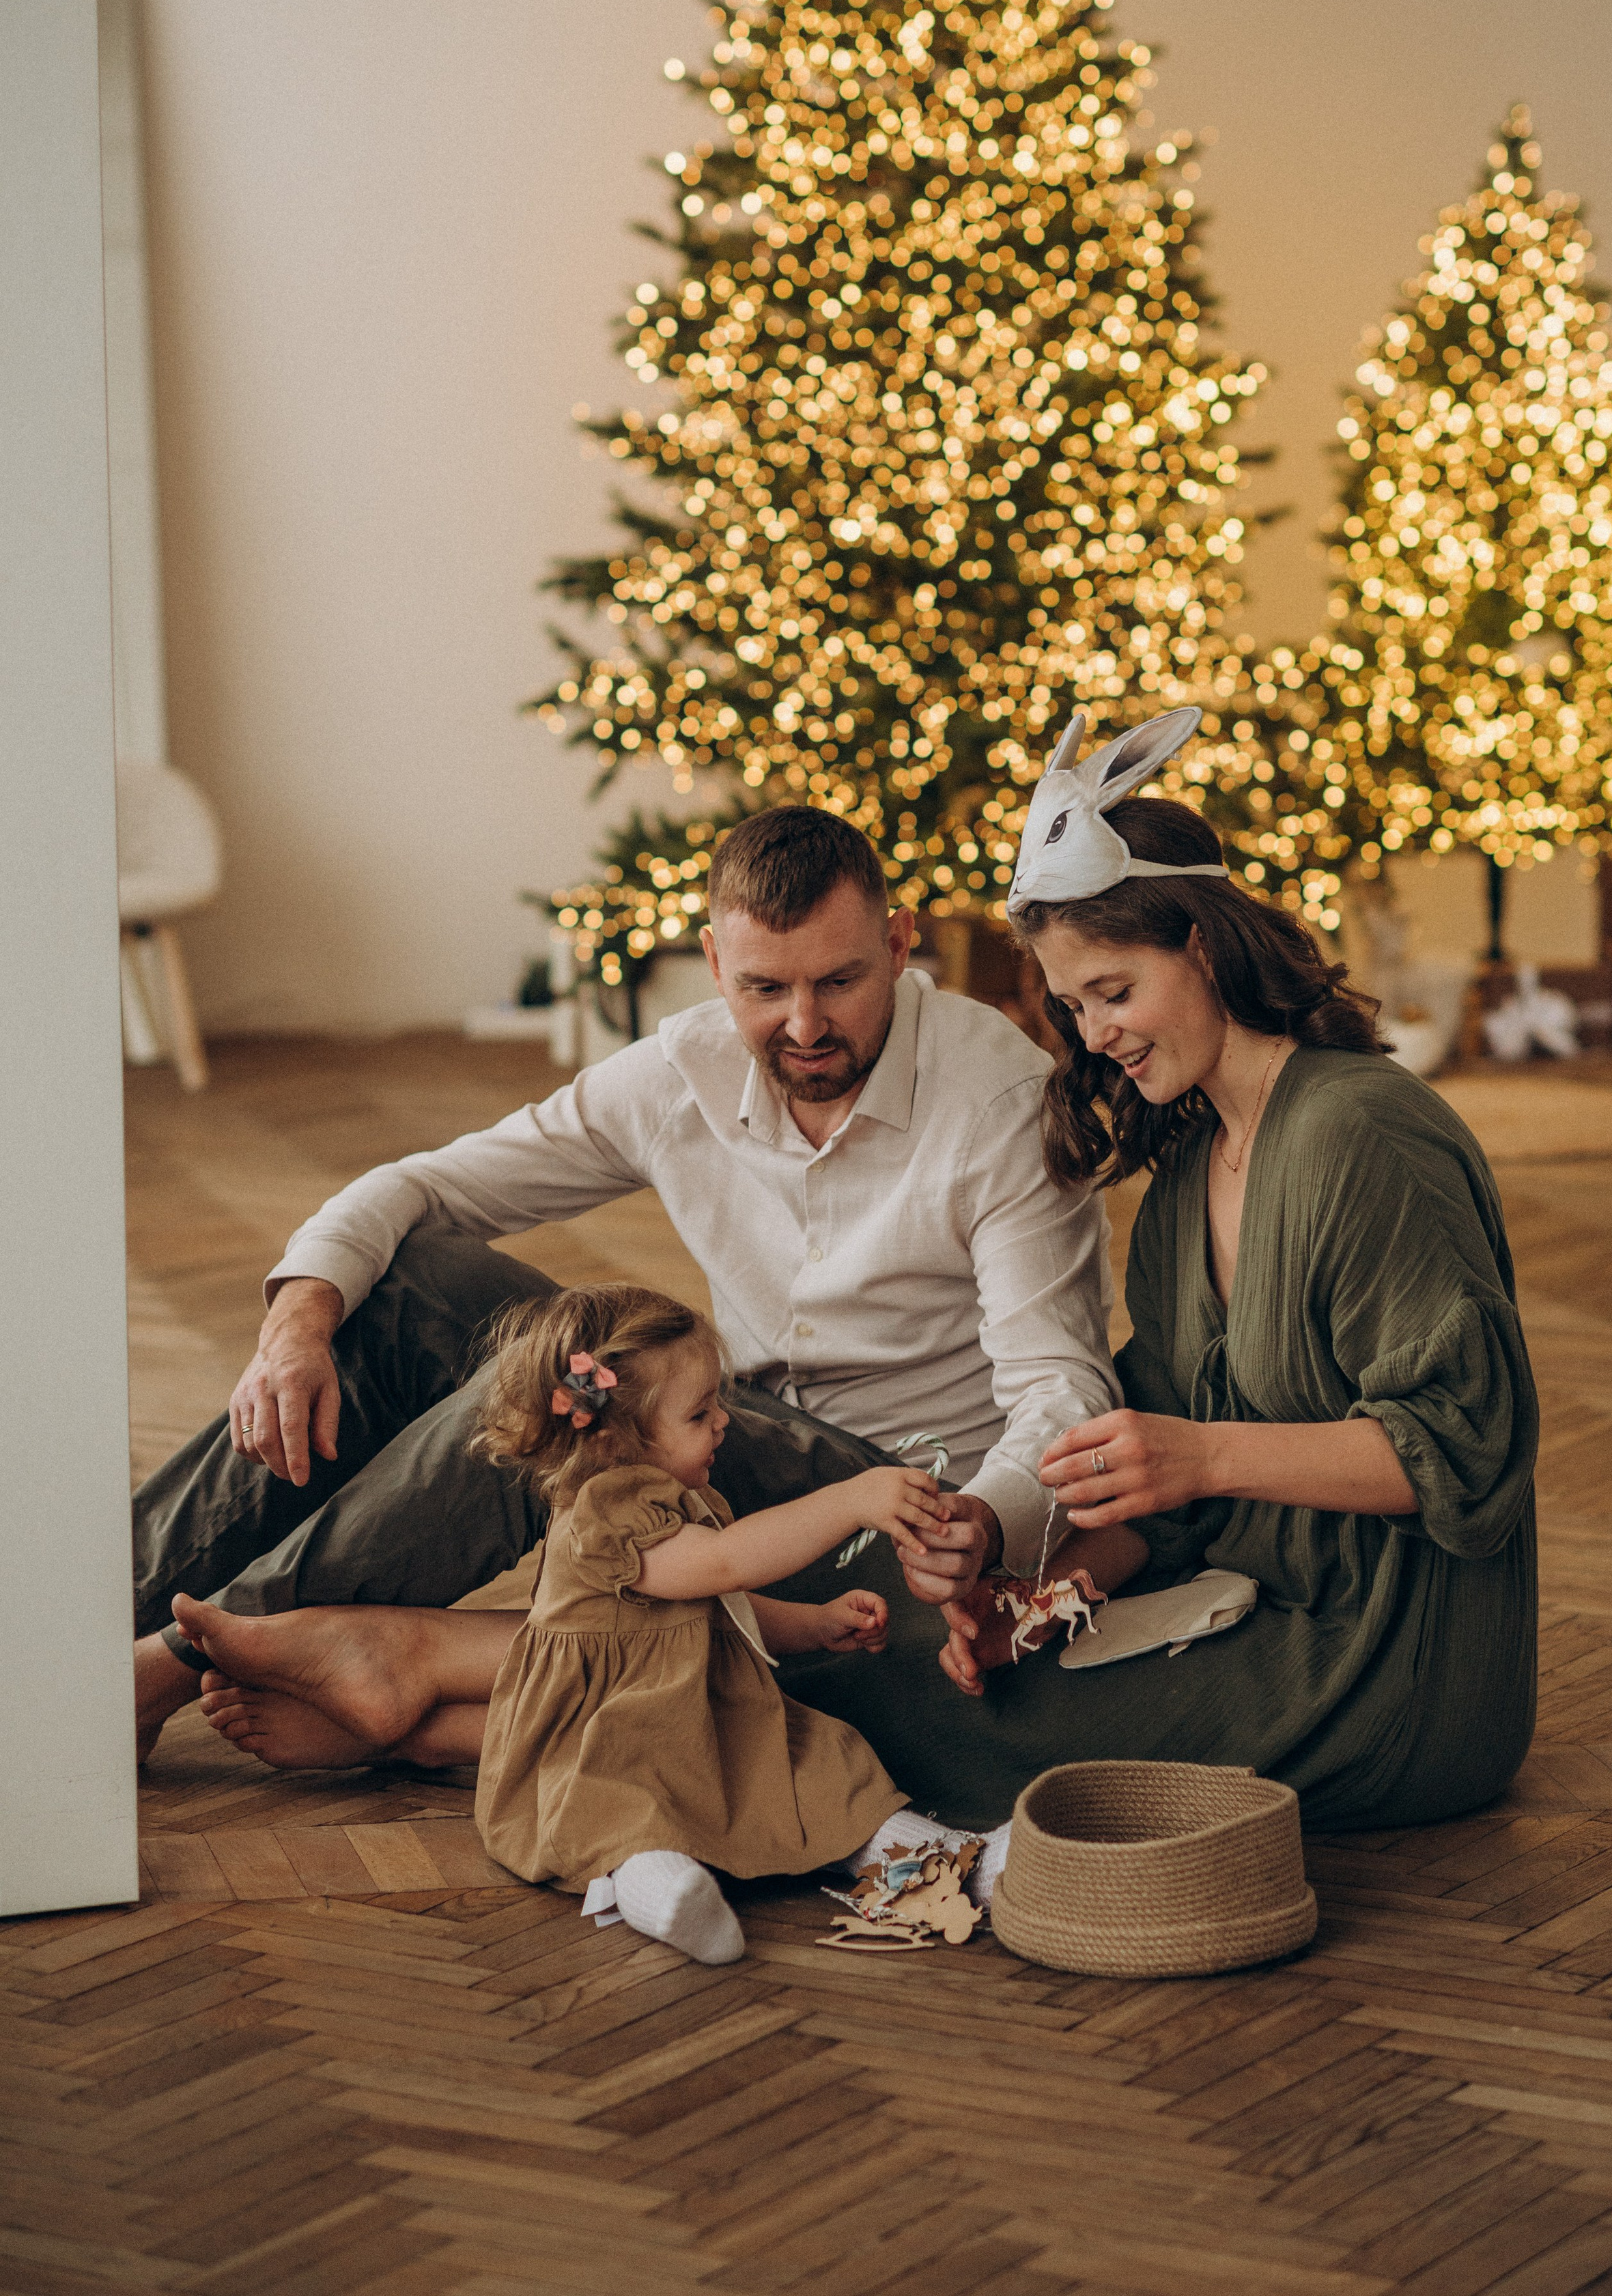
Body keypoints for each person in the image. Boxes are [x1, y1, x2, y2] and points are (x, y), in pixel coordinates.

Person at [134, 806, 1118, 1758]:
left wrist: (985, 1518)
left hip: (900, 1510)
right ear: (715, 962)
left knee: (571, 1381)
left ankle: (183, 1656)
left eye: (839, 981)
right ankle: (94, 1620)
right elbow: (424, 1188)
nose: (804, 1023)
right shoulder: (682, 1069)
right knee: (411, 1286)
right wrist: (296, 1325)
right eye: (764, 987)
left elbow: (1063, 1392)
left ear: (900, 945)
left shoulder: (998, 1101)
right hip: (719, 1441)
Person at [775, 712, 1540, 1834]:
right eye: (1074, 1007)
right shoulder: (1192, 1158)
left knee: (891, 1712)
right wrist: (1051, 1598)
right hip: (1243, 1598)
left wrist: (1202, 1453)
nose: (1096, 1035)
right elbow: (1169, 1497)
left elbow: (1469, 1452)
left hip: (1393, 1668)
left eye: (1114, 990)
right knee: (905, 1660)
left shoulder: (1363, 1133)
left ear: (1204, 946)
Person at [175, 1280, 1003, 1964]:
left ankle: (945, 1856)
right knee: (624, 1808)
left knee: (828, 1766)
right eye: (700, 1412)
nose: (724, 1421)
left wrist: (813, 1623)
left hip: (703, 1709)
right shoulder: (608, 1508)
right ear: (616, 1438)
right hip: (613, 1723)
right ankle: (664, 1893)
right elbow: (720, 1566)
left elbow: (719, 1606)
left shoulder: (677, 1496)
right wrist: (851, 1500)